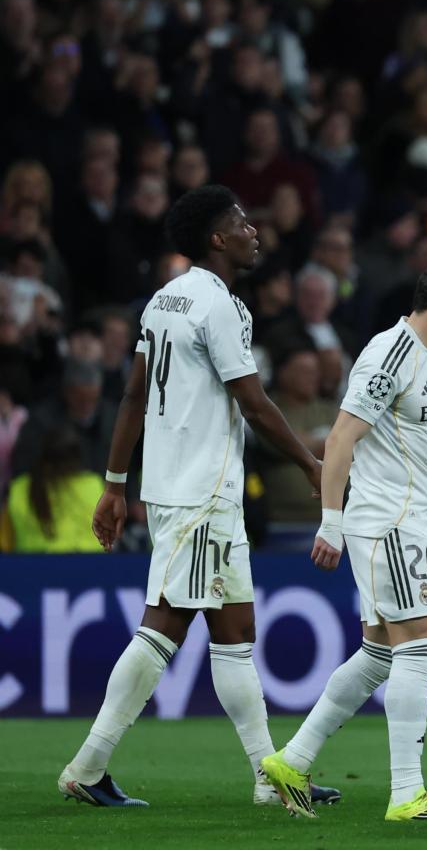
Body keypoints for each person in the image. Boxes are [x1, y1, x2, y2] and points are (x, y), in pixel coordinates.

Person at [60, 185, 330, 810]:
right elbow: (255, 403)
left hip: (189, 489)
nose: (253, 229)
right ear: (217, 239)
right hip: (202, 492)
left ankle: (271, 778)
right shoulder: (220, 307)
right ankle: (87, 766)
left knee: (235, 633)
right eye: (241, 221)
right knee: (163, 628)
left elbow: (132, 396)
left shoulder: (164, 300)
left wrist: (116, 484)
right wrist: (311, 465)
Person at [260, 252, 427, 822]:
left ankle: (291, 761)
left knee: (378, 654)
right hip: (386, 521)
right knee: (420, 646)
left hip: (408, 515)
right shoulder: (390, 354)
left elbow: (405, 431)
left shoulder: (425, 355)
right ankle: (407, 794)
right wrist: (331, 521)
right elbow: (341, 437)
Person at [1, 426, 103, 553]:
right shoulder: (94, 485)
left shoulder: (18, 489)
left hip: (29, 570)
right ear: (77, 458)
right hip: (93, 568)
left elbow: (5, 544)